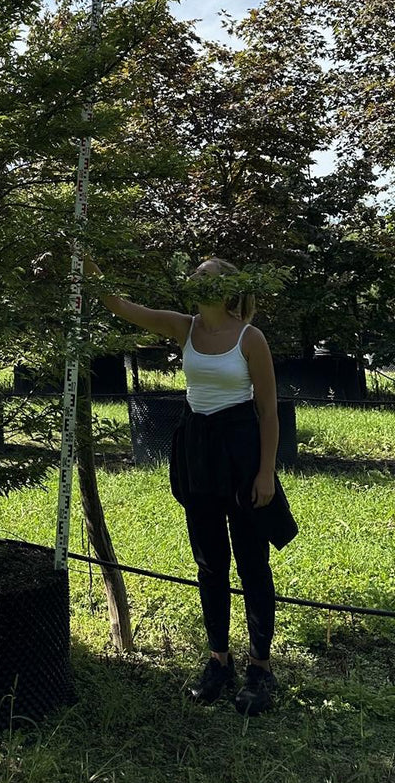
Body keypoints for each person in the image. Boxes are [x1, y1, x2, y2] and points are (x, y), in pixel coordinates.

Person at [83, 254, 281, 716]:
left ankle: (260, 668)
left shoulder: (251, 339)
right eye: (193, 276)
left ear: (228, 288)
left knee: (253, 563)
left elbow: (269, 413)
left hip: (242, 451)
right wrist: (89, 264)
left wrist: (266, 472)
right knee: (209, 562)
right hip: (197, 451)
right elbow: (120, 304)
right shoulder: (184, 327)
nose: (194, 281)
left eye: (204, 276)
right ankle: (218, 662)